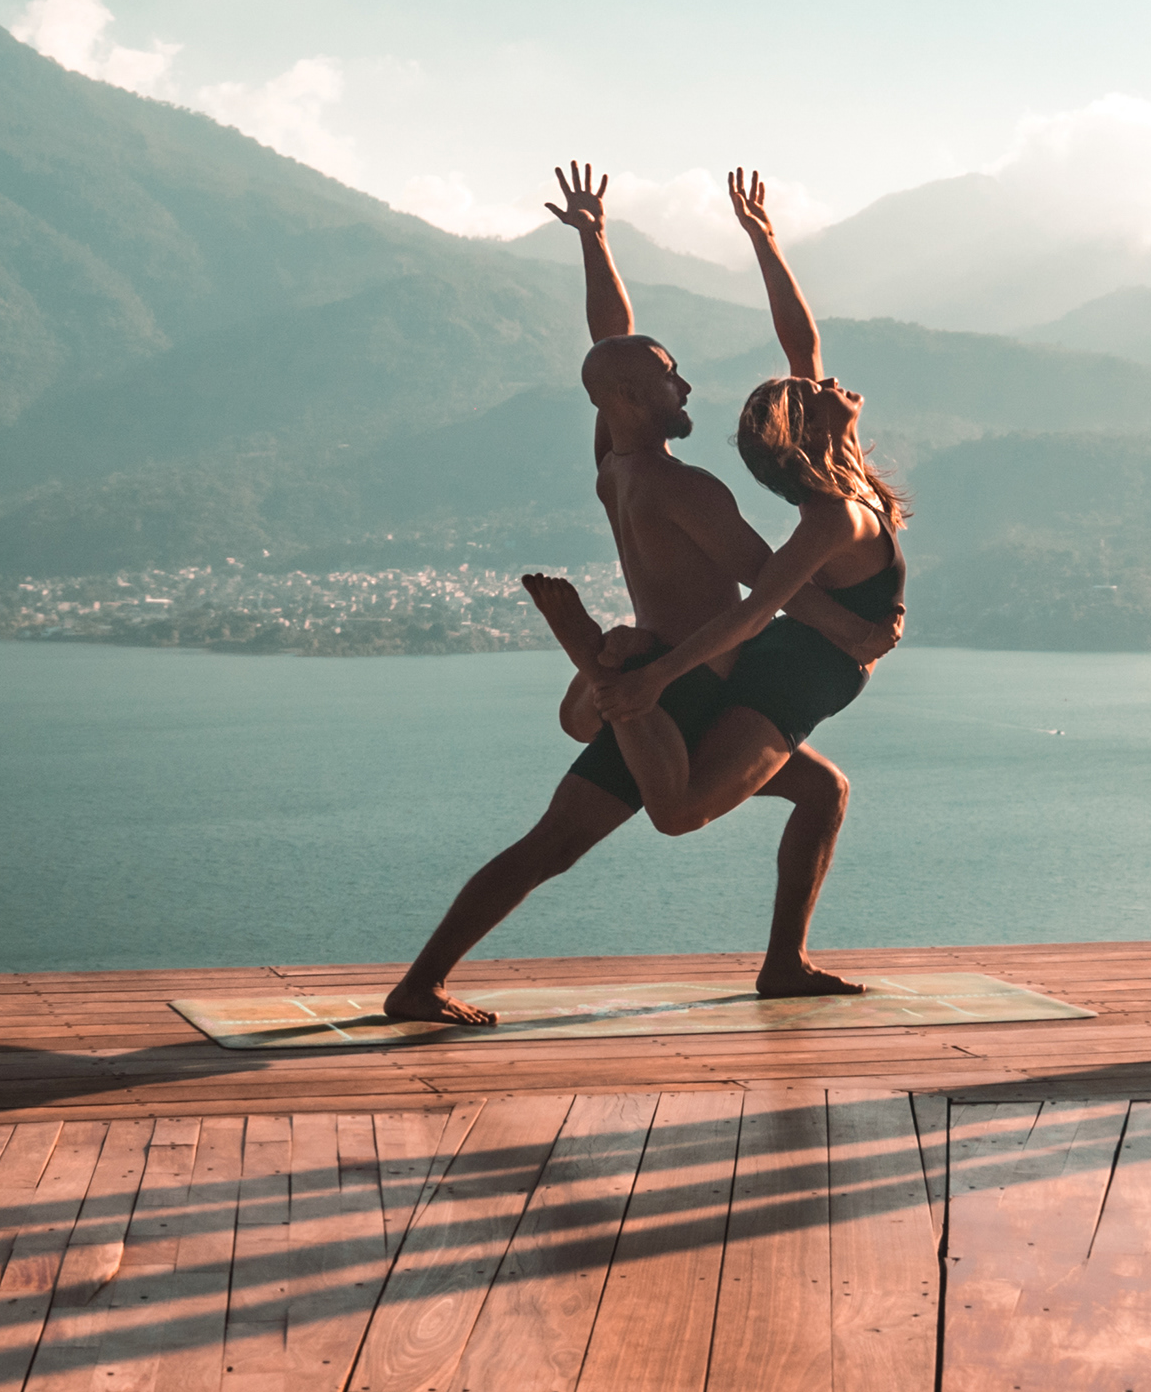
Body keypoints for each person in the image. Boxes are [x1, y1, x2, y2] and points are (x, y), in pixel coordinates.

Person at [374, 164, 897, 1028]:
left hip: (659, 669)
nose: (685, 387)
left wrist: (596, 242)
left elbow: (611, 341)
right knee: (723, 808)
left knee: (573, 842)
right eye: (670, 377)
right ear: (627, 396)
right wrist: (854, 627)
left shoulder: (613, 467)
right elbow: (775, 592)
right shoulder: (687, 489)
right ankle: (780, 962)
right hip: (688, 686)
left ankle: (421, 982)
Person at [589, 171, 906, 852]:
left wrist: (764, 241)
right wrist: (656, 678)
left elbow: (803, 344)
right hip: (802, 666)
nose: (828, 383)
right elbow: (759, 604)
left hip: (809, 658)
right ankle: (620, 681)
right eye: (814, 392)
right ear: (810, 426)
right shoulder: (831, 507)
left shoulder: (842, 460)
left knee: (818, 790)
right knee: (677, 806)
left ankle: (626, 682)